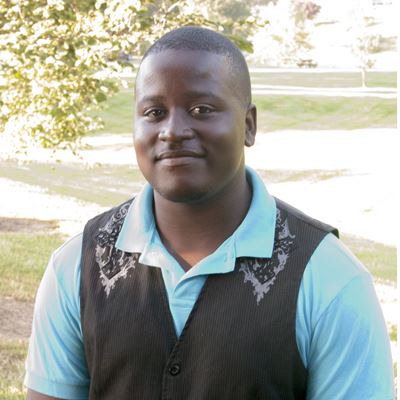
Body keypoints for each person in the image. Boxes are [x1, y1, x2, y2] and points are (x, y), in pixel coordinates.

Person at [25, 26, 394, 400]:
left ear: (248, 125)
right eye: (154, 112)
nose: (172, 131)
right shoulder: (77, 265)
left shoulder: (329, 279)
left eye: (201, 109)